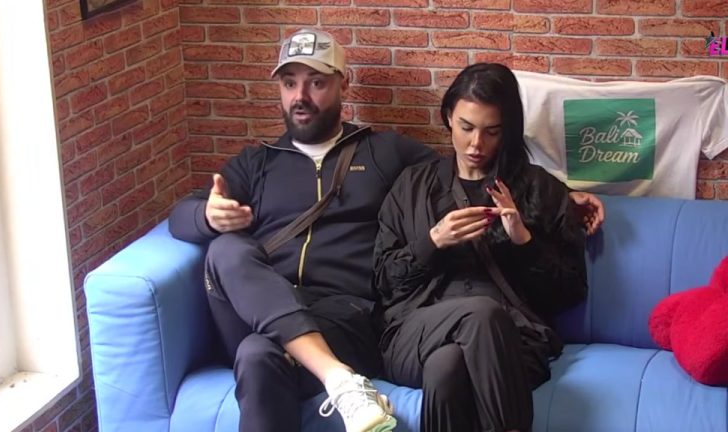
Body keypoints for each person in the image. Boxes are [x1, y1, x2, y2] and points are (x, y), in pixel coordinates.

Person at [169, 29, 603, 432]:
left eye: (316, 82)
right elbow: (179, 216)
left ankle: (335, 373)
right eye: (289, 83)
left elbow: (471, 172)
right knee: (225, 250)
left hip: (345, 318)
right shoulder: (256, 163)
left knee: (256, 354)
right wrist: (208, 217)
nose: (301, 96)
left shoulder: (383, 154)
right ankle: (339, 380)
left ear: (342, 84)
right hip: (263, 311)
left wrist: (565, 199)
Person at [372, 63, 590, 432]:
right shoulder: (412, 187)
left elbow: (570, 290)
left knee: (446, 369)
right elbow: (383, 283)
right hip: (415, 333)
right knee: (480, 313)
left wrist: (523, 240)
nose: (476, 144)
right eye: (466, 127)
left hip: (514, 342)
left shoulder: (538, 189)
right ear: (448, 117)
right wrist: (432, 242)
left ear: (508, 130)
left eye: (492, 131)